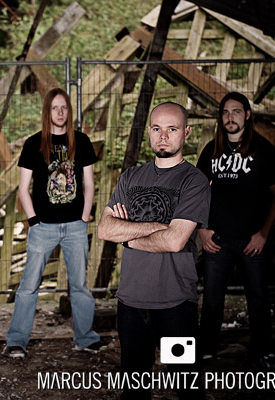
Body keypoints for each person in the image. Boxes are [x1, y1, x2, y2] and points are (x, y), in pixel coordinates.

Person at [98, 102, 210, 400]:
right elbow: (105, 229)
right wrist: (156, 227)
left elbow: (175, 241)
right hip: (131, 302)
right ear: (149, 131)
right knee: (134, 389)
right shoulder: (130, 177)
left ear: (186, 133)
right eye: (157, 128)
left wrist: (129, 235)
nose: (163, 136)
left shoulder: (194, 181)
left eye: (172, 129)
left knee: (186, 386)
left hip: (175, 304)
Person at [4, 87, 101, 358]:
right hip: (43, 227)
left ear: (69, 111)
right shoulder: (33, 144)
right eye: (54, 108)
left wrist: (84, 216)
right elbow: (23, 189)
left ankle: (85, 338)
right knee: (28, 285)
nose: (60, 112)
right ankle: (16, 340)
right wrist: (33, 220)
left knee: (80, 285)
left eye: (64, 107)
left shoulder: (81, 141)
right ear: (46, 111)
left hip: (75, 227)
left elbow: (89, 184)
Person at [197, 92, 275, 368]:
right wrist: (202, 229)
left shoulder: (263, 150)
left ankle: (263, 351)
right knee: (212, 299)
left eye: (236, 111)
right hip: (217, 239)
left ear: (247, 115)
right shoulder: (211, 150)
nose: (230, 117)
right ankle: (206, 350)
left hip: (251, 240)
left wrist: (263, 233)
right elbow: (197, 192)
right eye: (225, 112)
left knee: (258, 297)